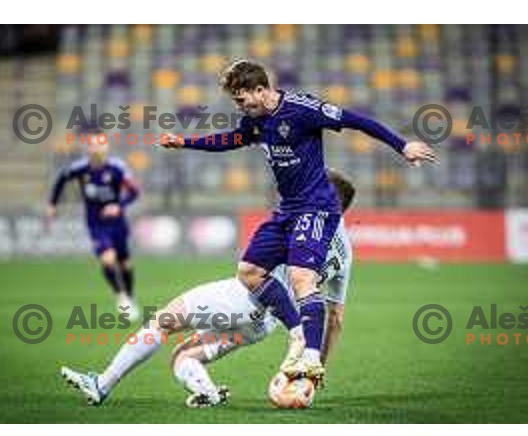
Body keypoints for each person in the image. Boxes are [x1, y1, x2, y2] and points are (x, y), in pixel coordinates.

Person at [161, 59, 437, 383]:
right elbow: (230, 140)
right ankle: (296, 330)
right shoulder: (255, 121)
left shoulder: (302, 108)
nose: (239, 105)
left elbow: (355, 120)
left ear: (260, 89)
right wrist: (185, 142)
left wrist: (402, 146)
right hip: (288, 208)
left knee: (301, 276)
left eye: (241, 98)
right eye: (235, 100)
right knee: (248, 272)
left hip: (316, 206)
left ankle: (309, 356)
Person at [60, 169, 355, 408]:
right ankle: (208, 393)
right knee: (183, 358)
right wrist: (313, 373)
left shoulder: (304, 221)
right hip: (263, 325)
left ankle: (103, 383)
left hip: (244, 299)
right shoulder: (345, 252)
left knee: (162, 321)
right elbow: (336, 319)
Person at [47, 136, 140, 316]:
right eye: (92, 145)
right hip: (96, 224)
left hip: (117, 223)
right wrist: (52, 204)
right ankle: (121, 297)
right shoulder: (80, 169)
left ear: (107, 148)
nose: (96, 149)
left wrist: (118, 206)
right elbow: (61, 179)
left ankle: (130, 296)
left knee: (125, 264)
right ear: (87, 149)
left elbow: (135, 192)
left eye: (100, 145)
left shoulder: (117, 168)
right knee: (107, 259)